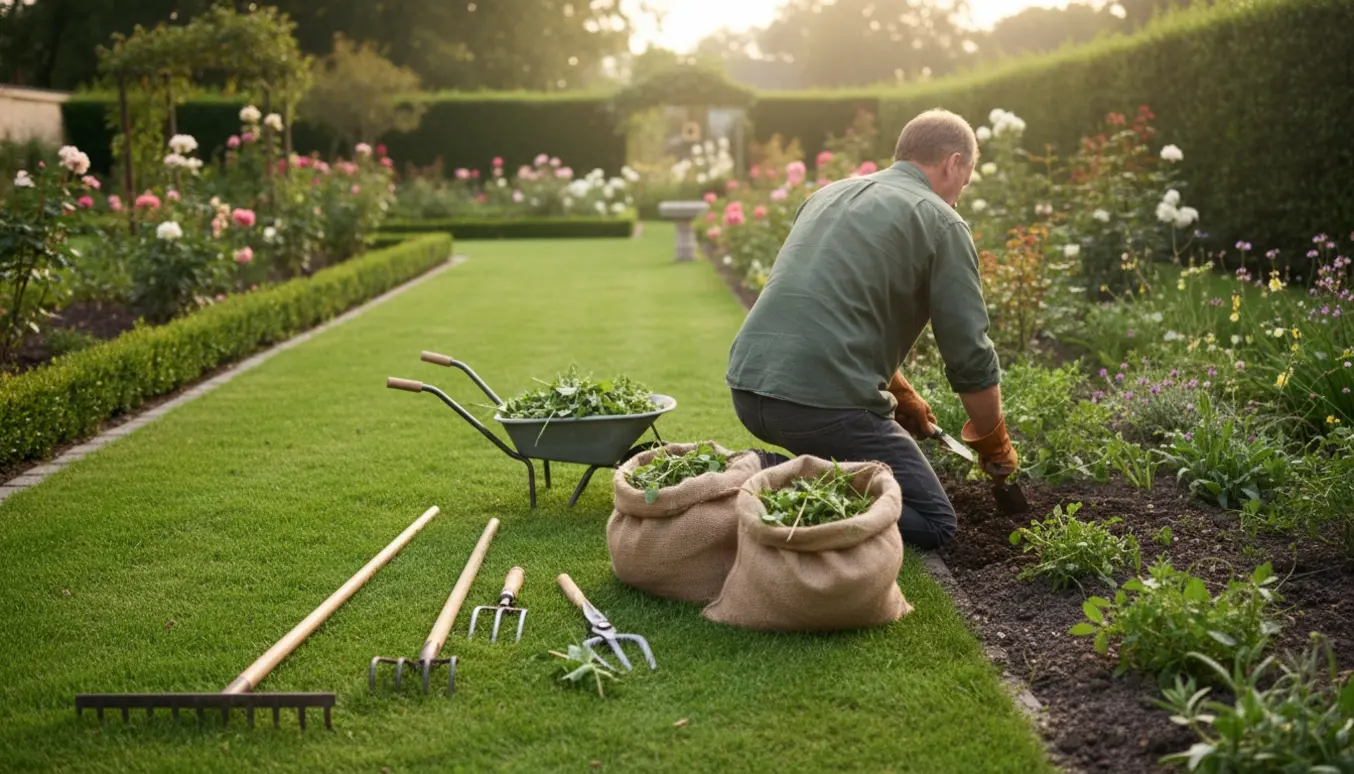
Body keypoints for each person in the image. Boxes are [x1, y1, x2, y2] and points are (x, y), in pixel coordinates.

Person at [726, 108, 1018, 550]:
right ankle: (761, 481)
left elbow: (830, 309)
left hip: (748, 391)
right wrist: (994, 444)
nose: (959, 195)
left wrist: (902, 394)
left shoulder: (828, 195)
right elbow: (969, 355)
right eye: (966, 179)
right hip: (821, 409)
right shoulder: (941, 221)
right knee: (937, 523)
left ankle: (768, 469)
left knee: (850, 454)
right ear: (953, 163)